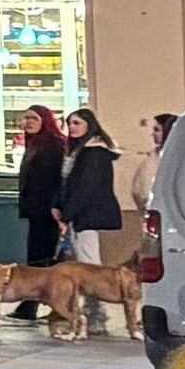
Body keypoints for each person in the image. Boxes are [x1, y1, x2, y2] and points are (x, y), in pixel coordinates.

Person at [68, 103, 128, 267]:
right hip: (85, 212)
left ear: (89, 125)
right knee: (85, 253)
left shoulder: (92, 154)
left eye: (77, 123)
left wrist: (68, 212)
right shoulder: (86, 152)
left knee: (88, 258)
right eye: (70, 123)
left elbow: (85, 186)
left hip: (87, 213)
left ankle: (93, 290)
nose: (71, 127)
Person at [18, 102, 73, 269]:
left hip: (47, 209)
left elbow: (56, 179)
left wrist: (55, 206)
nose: (29, 122)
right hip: (36, 209)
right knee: (36, 251)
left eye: (34, 118)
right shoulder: (34, 144)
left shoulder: (53, 144)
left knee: (43, 253)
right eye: (26, 118)